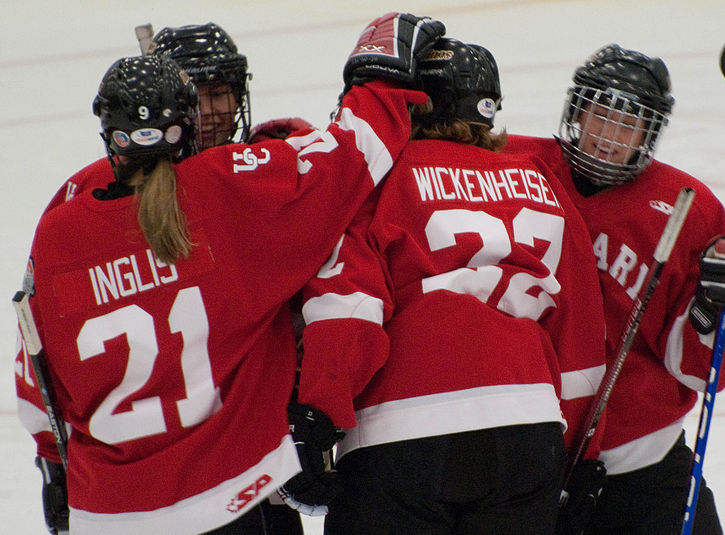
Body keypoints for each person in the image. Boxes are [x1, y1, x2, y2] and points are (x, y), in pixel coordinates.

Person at [13, 13, 445, 534]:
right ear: (181, 111)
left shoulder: (67, 216)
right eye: (199, 95)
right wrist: (382, 74)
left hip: (112, 508)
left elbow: (37, 362)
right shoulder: (238, 183)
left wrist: (53, 465)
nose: (214, 110)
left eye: (223, 91)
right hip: (235, 484)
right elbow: (352, 161)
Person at [293, 37, 606, 534]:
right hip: (528, 430)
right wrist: (579, 454)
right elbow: (581, 340)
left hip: (401, 431)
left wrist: (318, 416)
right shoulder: (539, 180)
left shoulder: (380, 178)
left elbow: (349, 307)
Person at [505, 44, 725, 534]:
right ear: (575, 112)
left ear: (650, 135)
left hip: (642, 468)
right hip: (525, 464)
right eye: (598, 116)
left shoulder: (688, 206)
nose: (607, 137)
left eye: (627, 125)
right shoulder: (513, 166)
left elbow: (695, 367)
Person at [44, 22, 314, 211]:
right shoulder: (104, 182)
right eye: (195, 100)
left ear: (239, 97)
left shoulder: (278, 156)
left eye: (218, 94)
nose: (206, 113)